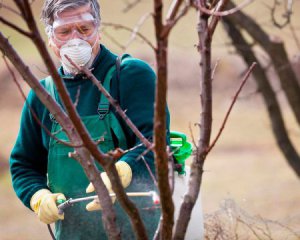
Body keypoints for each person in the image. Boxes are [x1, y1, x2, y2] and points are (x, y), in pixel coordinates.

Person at [9, 0, 170, 239]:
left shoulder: (130, 75)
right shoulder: (42, 95)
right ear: (50, 39)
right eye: (64, 31)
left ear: (99, 30)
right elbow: (23, 164)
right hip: (74, 233)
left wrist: (125, 170)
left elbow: (156, 143)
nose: (76, 39)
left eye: (84, 29)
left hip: (138, 229)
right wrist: (37, 196)